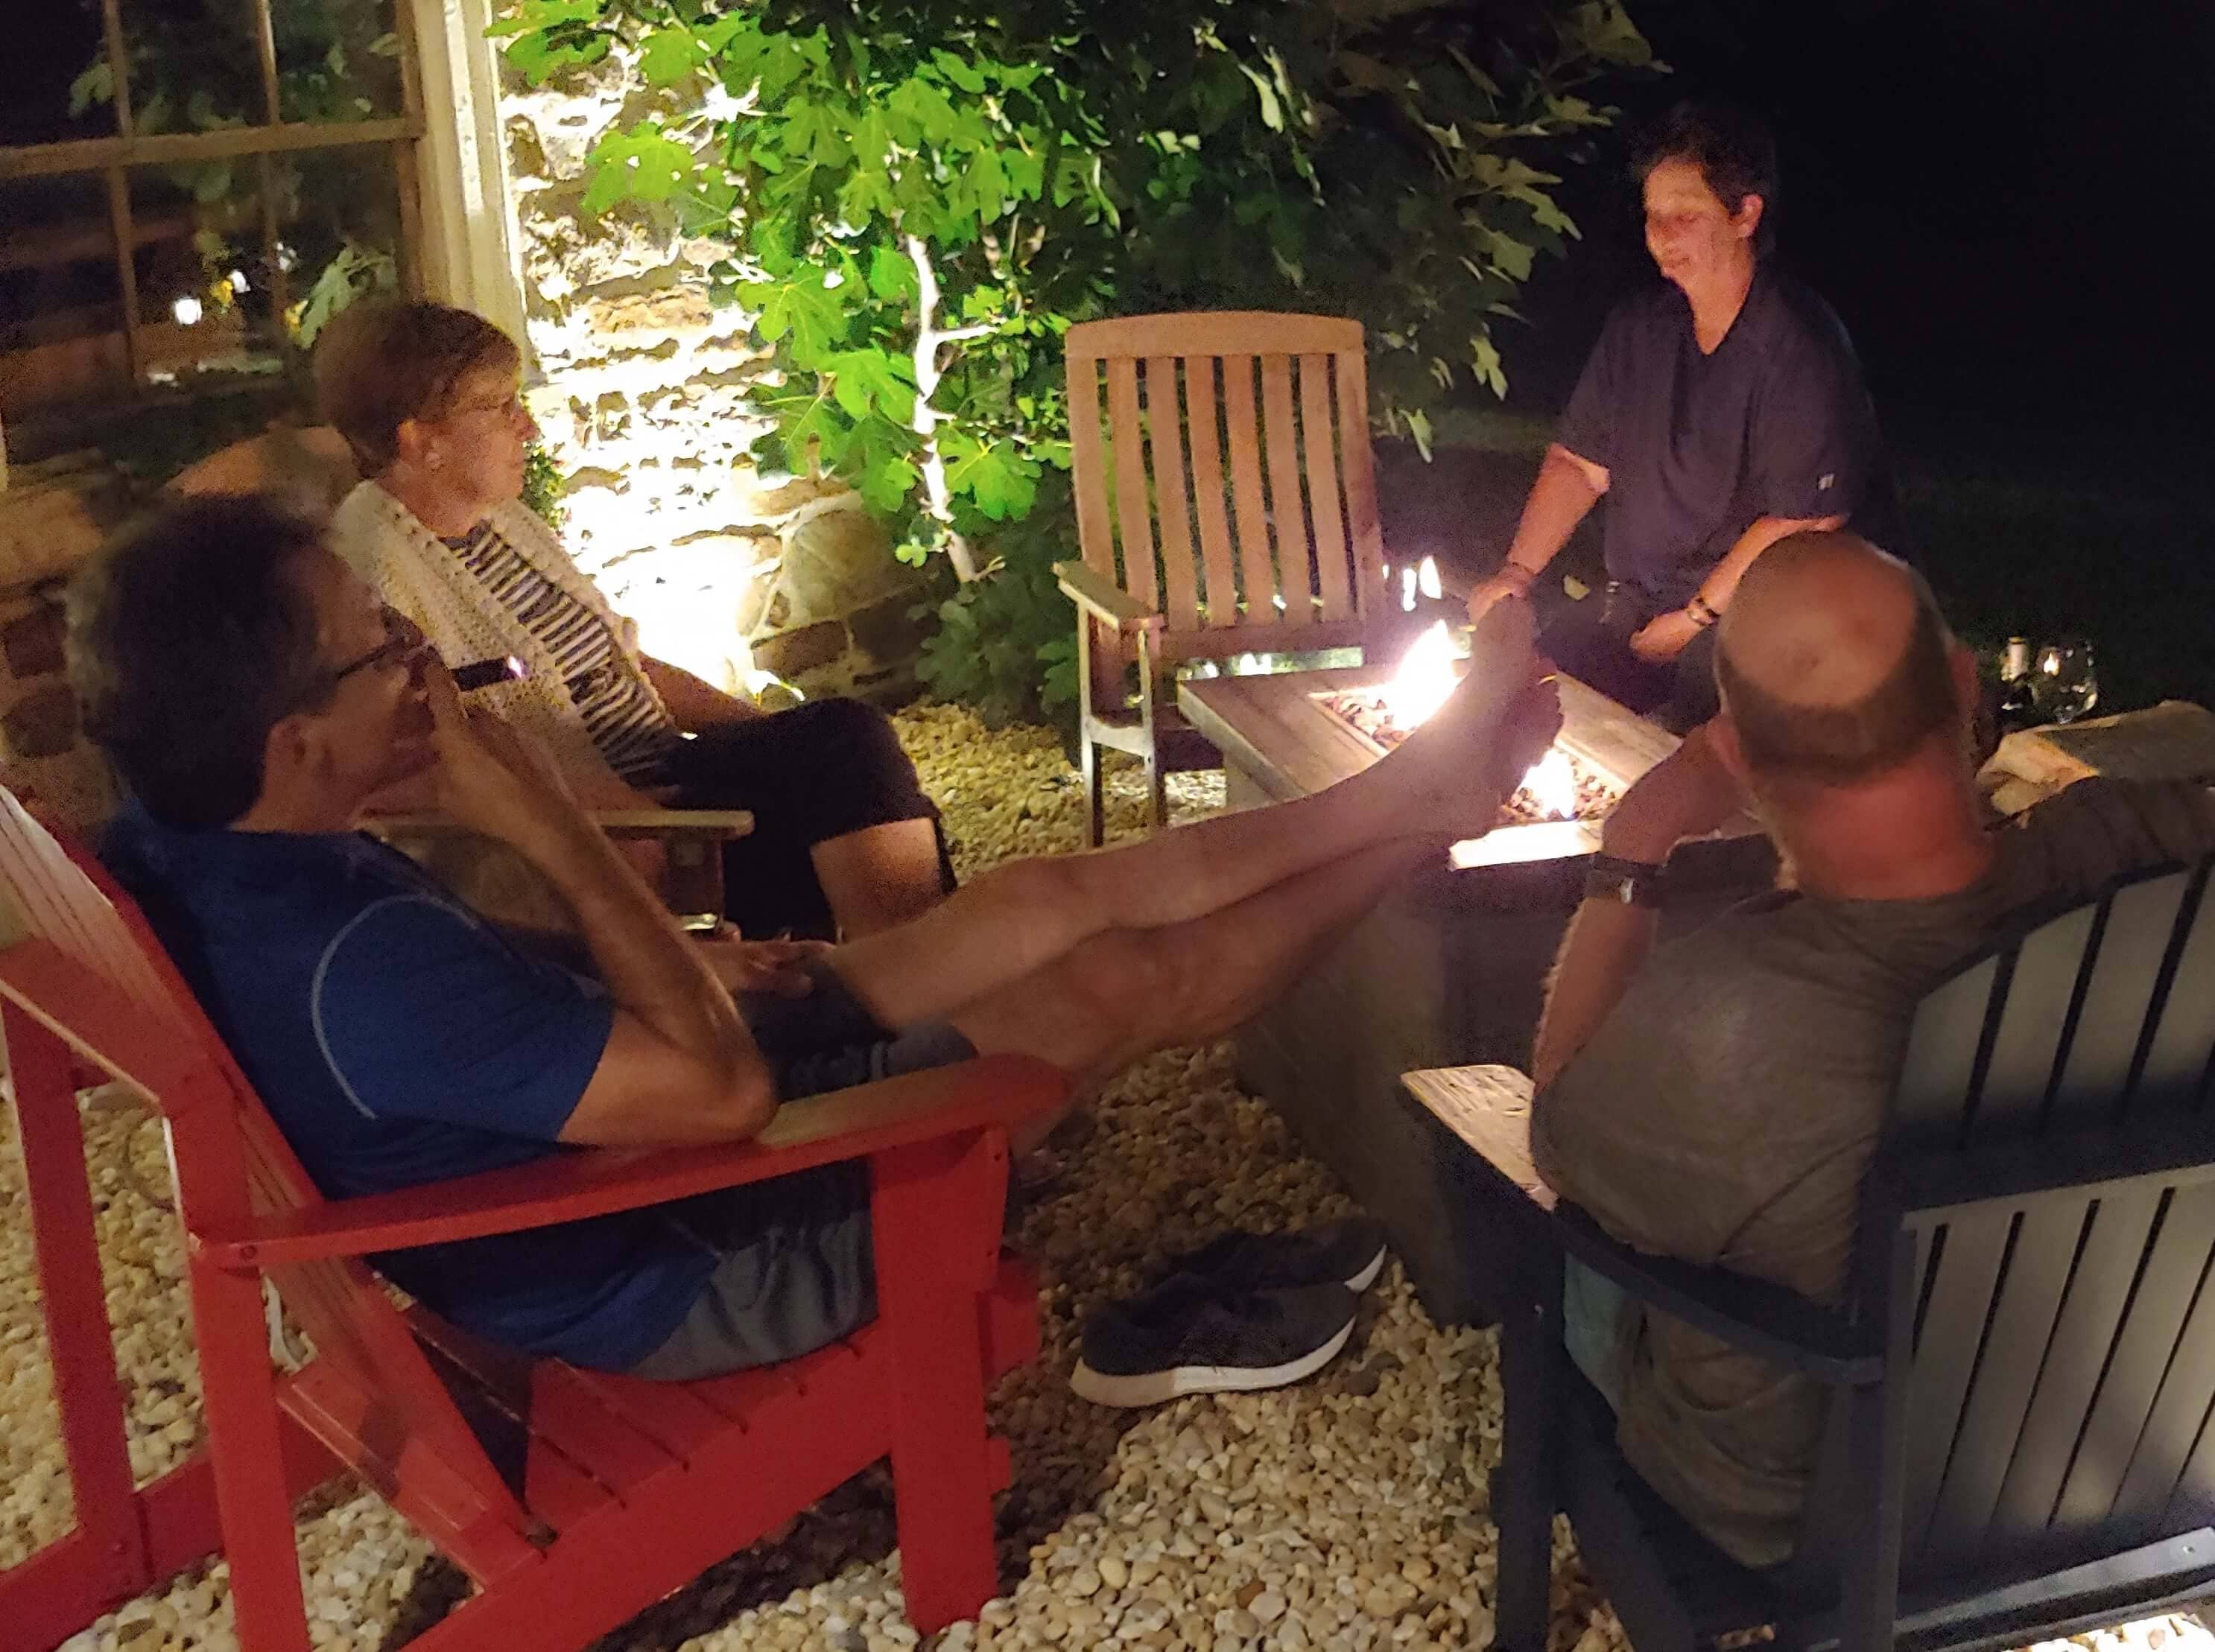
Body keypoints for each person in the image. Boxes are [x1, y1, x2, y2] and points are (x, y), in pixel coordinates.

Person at [67, 493, 1558, 1382]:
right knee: (1113, 978)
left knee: (1037, 896)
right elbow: (715, 1102)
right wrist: (536, 817)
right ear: (294, 736)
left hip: (615, 1116)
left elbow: (484, 1041)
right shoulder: (354, 969)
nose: (418, 665)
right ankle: (1432, 819)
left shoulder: (200, 843)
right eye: (378, 647)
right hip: (694, 1241)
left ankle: (1409, 786)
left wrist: (673, 966)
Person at [1524, 530, 2215, 1567]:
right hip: (2141, 1459)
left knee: (1579, 1216)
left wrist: (1634, 845)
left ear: (1744, 762)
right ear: (1963, 686)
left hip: (1814, 1525)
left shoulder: (1730, 1023)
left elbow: (1552, 1132)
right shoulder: (2135, 861)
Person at [313, 299, 947, 942]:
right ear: (421, 440)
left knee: (844, 740)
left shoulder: (499, 525)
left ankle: (909, 966)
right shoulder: (374, 571)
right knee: (849, 779)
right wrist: (624, 818)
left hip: (661, 770)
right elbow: (423, 763)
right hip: (622, 831)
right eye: (499, 407)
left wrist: (776, 736)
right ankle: (902, 976)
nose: (526, 428)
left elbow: (621, 663)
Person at [1465, 101, 1895, 731]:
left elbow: (1805, 518)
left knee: (1683, 721)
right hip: (1644, 600)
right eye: (1652, 217)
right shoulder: (1640, 330)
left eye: (1685, 217)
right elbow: (1579, 465)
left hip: (1771, 617)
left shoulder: (1796, 345)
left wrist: (1691, 620)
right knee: (1533, 683)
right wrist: (1517, 572)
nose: (1662, 237)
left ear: (1745, 213)